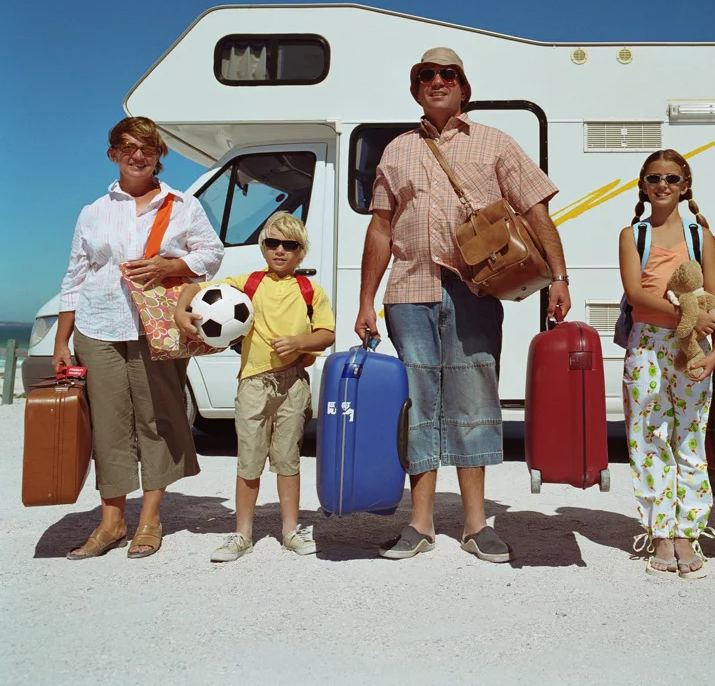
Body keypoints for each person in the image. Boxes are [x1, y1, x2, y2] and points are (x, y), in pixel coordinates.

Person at [354, 47, 571, 564]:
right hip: (409, 291)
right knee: (419, 403)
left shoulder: (494, 142)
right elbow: (381, 227)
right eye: (426, 75)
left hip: (474, 292)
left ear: (463, 86)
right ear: (415, 89)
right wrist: (366, 298)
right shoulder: (396, 150)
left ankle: (476, 525)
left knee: (474, 400)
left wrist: (559, 276)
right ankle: (420, 524)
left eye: (447, 74)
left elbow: (535, 209)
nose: (437, 81)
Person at [53, 116, 224, 560]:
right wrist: (61, 341)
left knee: (157, 418)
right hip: (98, 326)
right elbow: (75, 276)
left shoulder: (181, 204)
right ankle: (111, 522)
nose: (137, 155)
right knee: (109, 426)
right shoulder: (93, 211)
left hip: (157, 328)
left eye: (146, 147)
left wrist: (170, 267)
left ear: (158, 156)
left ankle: (150, 518)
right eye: (127, 147)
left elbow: (212, 252)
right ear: (113, 154)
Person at [175, 211, 335, 562]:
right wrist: (180, 312)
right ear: (263, 247)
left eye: (289, 245)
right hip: (253, 383)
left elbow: (327, 334)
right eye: (272, 243)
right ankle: (241, 534)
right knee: (248, 460)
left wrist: (299, 342)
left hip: (293, 383)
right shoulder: (246, 284)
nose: (280, 250)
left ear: (301, 252)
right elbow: (196, 287)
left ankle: (290, 530)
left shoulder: (311, 290)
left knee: (288, 459)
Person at [620, 150, 715, 578]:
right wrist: (686, 316)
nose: (662, 185)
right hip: (647, 343)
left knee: (690, 435)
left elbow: (714, 299)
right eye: (654, 178)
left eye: (671, 178)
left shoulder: (700, 235)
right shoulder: (634, 235)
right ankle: (660, 532)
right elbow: (635, 293)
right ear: (643, 185)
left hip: (694, 347)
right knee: (648, 437)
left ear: (685, 186)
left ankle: (688, 531)